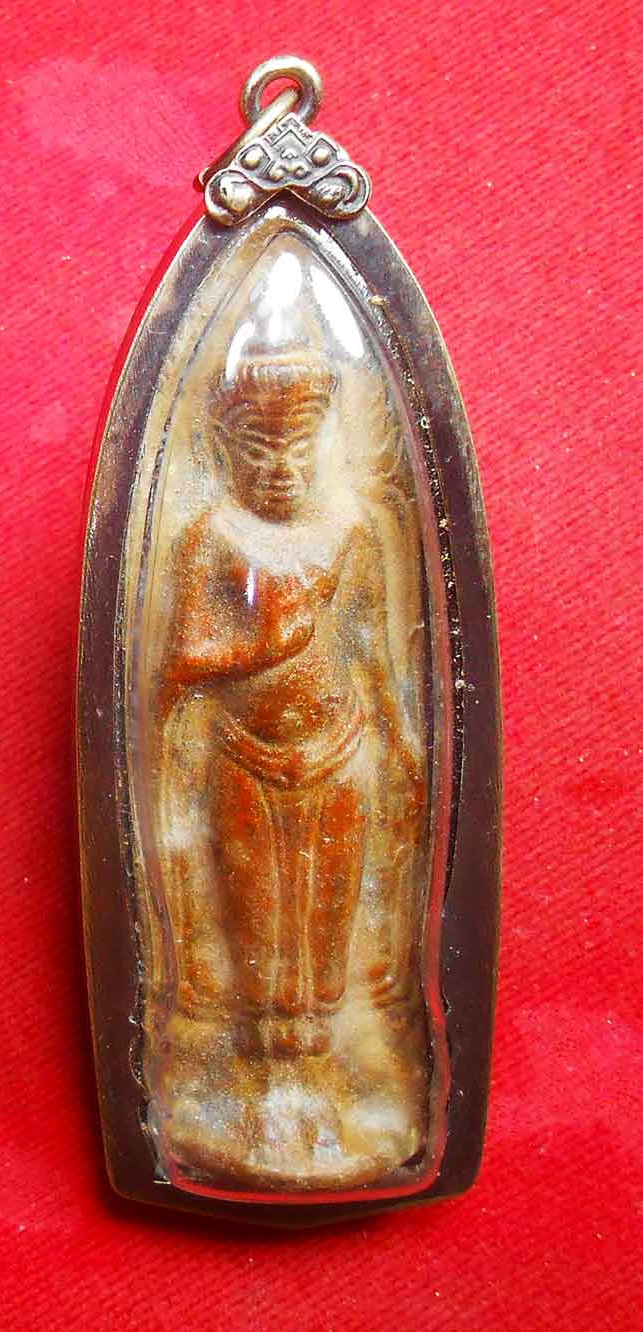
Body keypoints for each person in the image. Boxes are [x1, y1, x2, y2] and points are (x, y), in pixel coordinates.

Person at [157, 350, 424, 1058]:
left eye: (297, 448)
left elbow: (373, 651)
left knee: (329, 920)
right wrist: (265, 644)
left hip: (339, 748)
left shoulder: (351, 534)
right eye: (259, 450)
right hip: (244, 752)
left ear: (321, 443)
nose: (281, 469)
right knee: (259, 916)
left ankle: (322, 1038)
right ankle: (263, 1042)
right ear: (226, 450)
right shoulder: (211, 537)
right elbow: (181, 661)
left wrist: (400, 741)